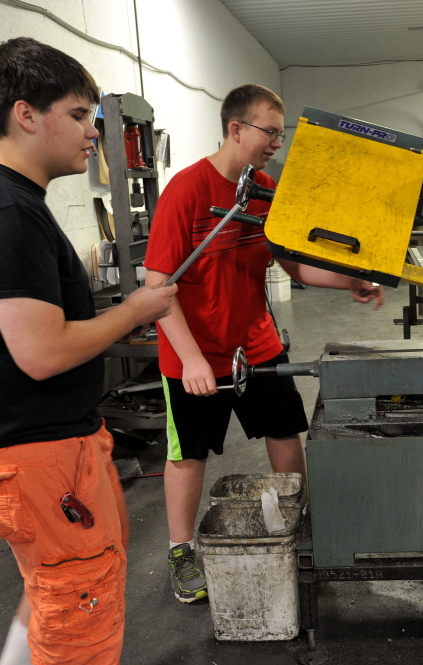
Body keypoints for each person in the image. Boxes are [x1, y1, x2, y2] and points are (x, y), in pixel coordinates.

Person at [0, 37, 177, 665]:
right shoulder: (1, 209)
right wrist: (135, 312)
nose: (94, 133)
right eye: (80, 114)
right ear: (25, 113)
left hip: (31, 444)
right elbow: (41, 352)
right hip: (31, 450)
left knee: (54, 587)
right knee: (78, 607)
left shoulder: (1, 200)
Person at [143, 84, 384, 604]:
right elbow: (156, 287)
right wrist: (189, 359)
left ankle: (296, 524)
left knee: (282, 433)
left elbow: (291, 262)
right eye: (269, 131)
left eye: (280, 132)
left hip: (256, 343)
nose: (277, 141)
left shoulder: (263, 187)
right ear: (236, 129)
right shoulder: (186, 191)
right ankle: (181, 549)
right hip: (196, 354)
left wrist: (348, 281)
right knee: (188, 455)